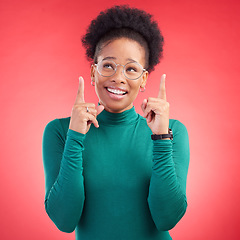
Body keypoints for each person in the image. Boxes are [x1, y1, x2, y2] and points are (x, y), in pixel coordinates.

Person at [42, 5, 190, 240]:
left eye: (131, 69)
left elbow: (167, 218)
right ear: (93, 73)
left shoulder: (172, 131)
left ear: (143, 80)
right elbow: (64, 220)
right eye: (108, 65)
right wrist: (75, 138)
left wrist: (161, 138)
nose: (118, 77)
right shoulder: (60, 131)